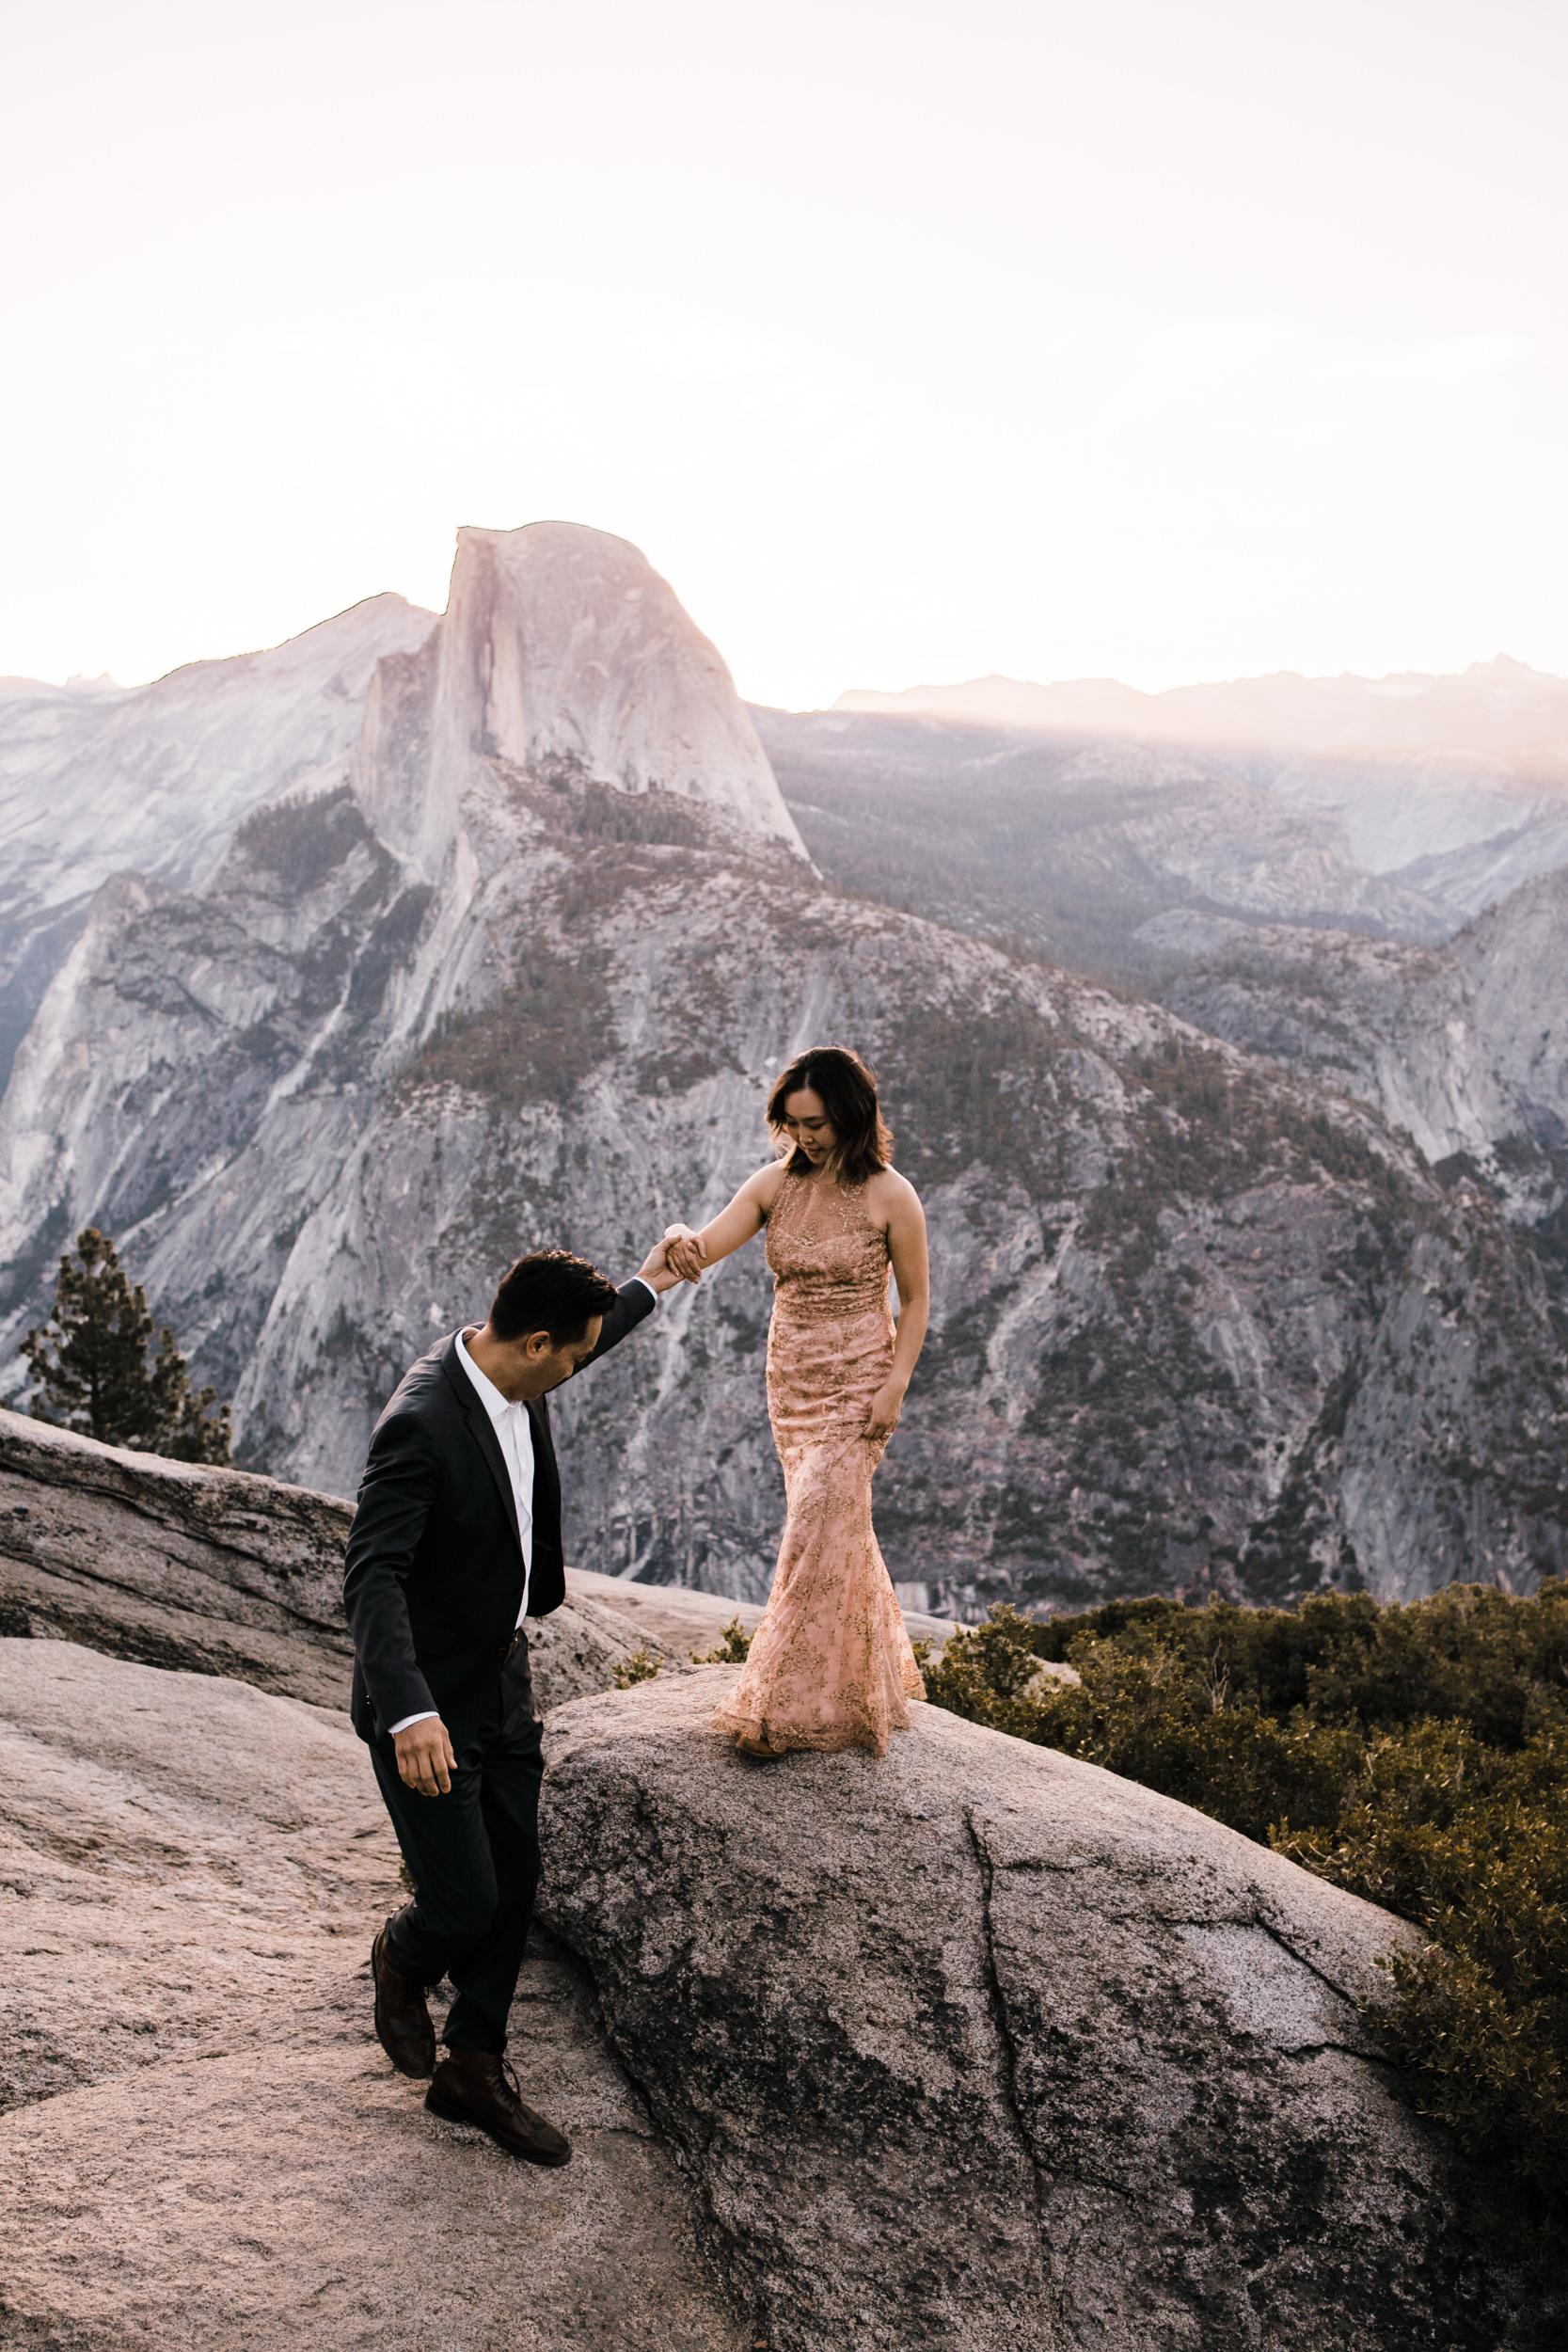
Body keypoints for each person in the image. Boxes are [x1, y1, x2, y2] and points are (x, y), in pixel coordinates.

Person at [342, 1240, 688, 2164]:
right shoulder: (421, 1421)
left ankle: (473, 2068)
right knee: (462, 1902)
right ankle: (401, 1955)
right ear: (536, 1343)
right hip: (429, 1702)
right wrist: (409, 1708)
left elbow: (594, 1330)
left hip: (501, 1675)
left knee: (516, 1875)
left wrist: (653, 1277)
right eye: (570, 1356)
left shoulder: (512, 1369)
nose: (578, 1366)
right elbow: (371, 1573)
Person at [663, 1044, 930, 1759]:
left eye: (814, 1123)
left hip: (859, 1380)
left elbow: (917, 1300)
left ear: (849, 1114)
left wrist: (895, 1383)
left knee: (820, 1518)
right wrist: (677, 1243)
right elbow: (708, 1245)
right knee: (833, 1528)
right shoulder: (772, 1185)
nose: (803, 1137)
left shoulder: (891, 1195)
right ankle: (856, 1686)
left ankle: (779, 1705)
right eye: (792, 1123)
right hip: (793, 1381)